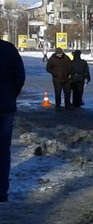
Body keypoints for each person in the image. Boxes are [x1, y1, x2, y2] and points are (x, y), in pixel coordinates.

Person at [0, 39, 26, 203]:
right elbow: (20, 77)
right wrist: (11, 96)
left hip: (6, 104)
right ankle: (2, 192)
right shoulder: (9, 49)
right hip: (5, 106)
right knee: (3, 150)